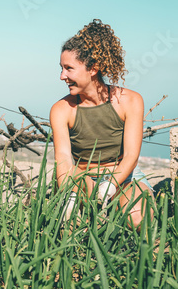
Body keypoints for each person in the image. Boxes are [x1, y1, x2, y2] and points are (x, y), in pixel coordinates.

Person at [50, 19, 154, 229]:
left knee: (138, 217)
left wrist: (109, 186)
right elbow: (62, 160)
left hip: (123, 177)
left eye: (69, 68)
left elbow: (131, 156)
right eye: (61, 68)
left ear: (93, 68)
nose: (62, 76)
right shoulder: (61, 109)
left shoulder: (131, 101)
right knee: (72, 224)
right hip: (80, 178)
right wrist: (70, 197)